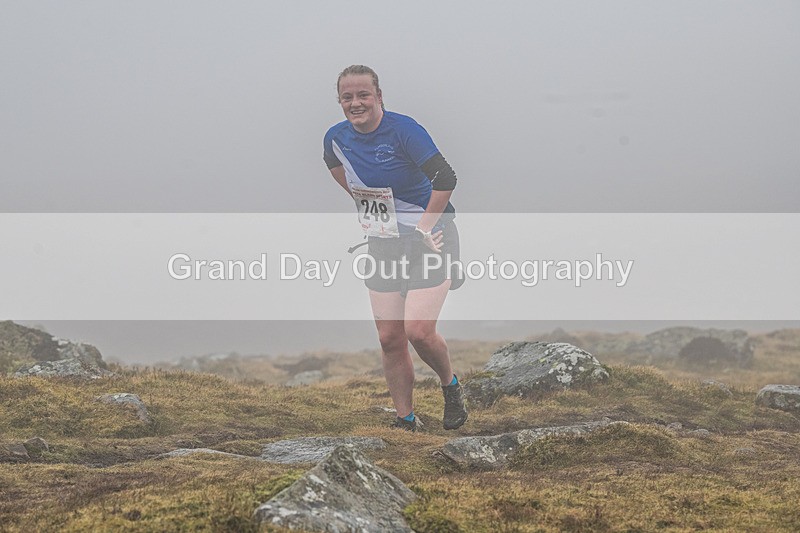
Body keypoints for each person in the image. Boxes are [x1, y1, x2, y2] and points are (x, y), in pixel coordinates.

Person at [323, 65, 467, 432]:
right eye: (347, 97)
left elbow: (446, 179)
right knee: (390, 337)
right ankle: (405, 419)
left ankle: (450, 385)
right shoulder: (335, 138)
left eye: (363, 95)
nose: (356, 103)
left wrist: (423, 227)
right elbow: (335, 167)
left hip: (430, 237)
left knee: (418, 330)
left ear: (379, 96)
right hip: (384, 242)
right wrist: (367, 208)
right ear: (339, 101)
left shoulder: (404, 130)